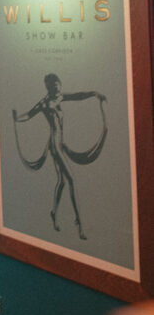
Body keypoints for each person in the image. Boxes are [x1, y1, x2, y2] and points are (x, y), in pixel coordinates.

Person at [13, 73, 107, 240]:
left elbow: (78, 96)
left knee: (62, 182)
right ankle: (80, 223)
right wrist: (16, 119)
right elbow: (29, 114)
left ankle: (53, 213)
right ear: (48, 87)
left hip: (60, 144)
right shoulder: (44, 103)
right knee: (71, 180)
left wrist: (94, 93)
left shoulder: (60, 98)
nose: (57, 87)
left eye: (58, 84)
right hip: (54, 146)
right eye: (53, 85)